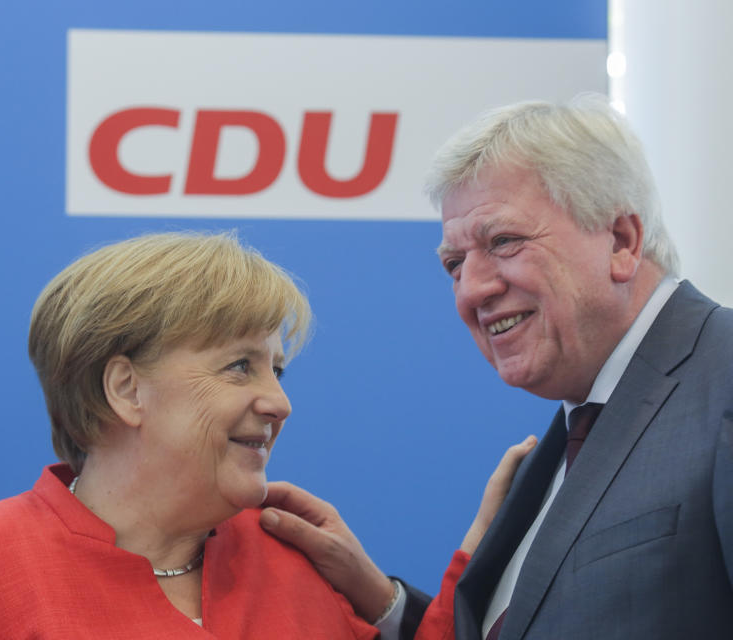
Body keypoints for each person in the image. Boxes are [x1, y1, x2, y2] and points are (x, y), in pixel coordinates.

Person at [0, 231, 531, 639]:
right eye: (239, 366)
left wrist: (474, 561)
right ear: (126, 389)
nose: (279, 403)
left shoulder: (293, 560)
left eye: (277, 368)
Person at [260, 95, 733, 639]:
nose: (473, 290)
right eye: (455, 265)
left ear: (621, 242)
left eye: (504, 242)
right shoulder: (557, 450)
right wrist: (380, 600)